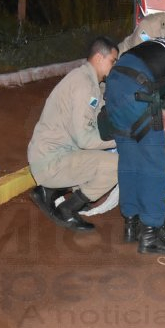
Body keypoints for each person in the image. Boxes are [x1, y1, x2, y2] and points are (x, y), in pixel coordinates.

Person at [104, 35, 165, 253]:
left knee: (129, 159)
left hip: (114, 84)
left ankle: (131, 224)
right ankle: (150, 232)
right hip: (137, 91)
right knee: (153, 162)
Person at [27, 36, 119, 231]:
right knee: (117, 166)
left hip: (52, 155)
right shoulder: (84, 85)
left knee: (103, 154)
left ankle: (50, 191)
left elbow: (100, 118)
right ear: (99, 58)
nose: (114, 66)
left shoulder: (87, 80)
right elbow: (85, 139)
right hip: (51, 161)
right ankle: (67, 210)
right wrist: (118, 140)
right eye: (113, 61)